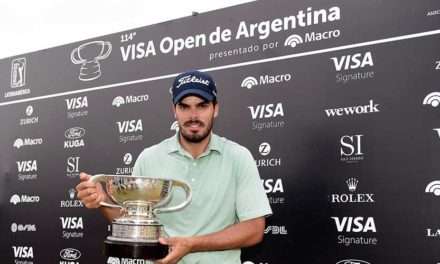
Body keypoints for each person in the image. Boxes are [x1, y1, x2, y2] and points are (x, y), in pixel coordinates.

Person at [76, 70, 272, 264]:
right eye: (184, 107)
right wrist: (102, 201)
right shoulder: (149, 157)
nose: (193, 115)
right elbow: (133, 223)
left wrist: (191, 244)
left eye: (202, 106)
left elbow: (254, 229)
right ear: (174, 111)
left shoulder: (238, 157)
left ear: (216, 108)